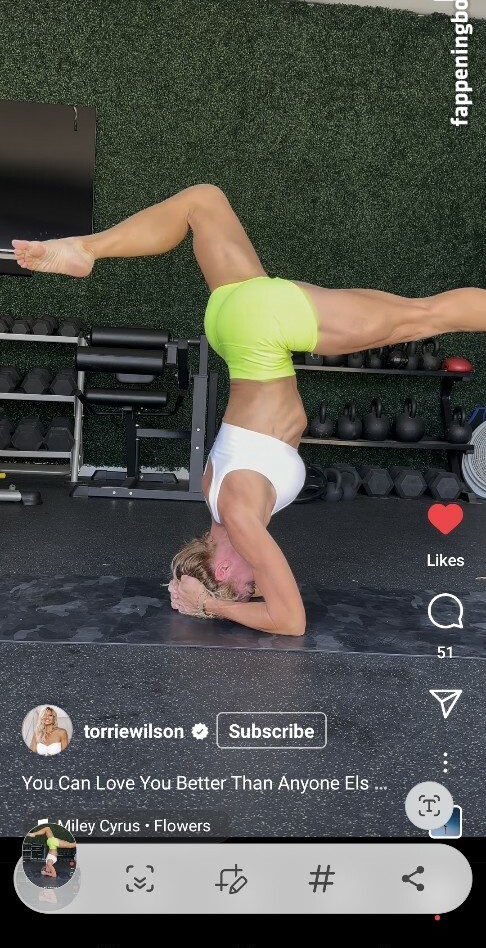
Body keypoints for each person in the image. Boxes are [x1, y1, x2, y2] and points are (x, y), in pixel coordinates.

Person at [13, 184, 486, 636]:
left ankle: (85, 250)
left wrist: (212, 605)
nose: (257, 585)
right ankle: (88, 248)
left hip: (264, 328)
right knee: (202, 200)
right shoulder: (212, 493)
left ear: (222, 569)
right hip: (231, 319)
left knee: (427, 316)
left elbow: (289, 620)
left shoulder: (239, 516)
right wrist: (193, 585)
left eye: (247, 587)